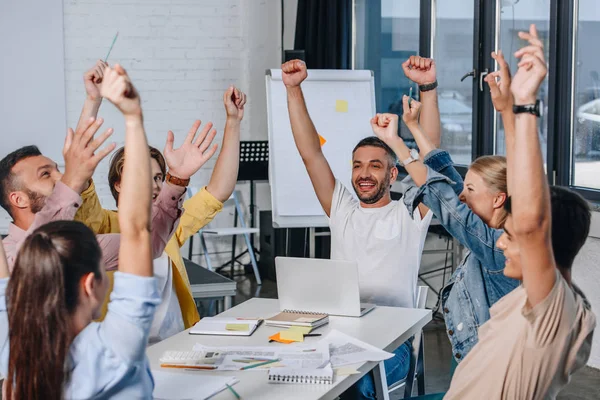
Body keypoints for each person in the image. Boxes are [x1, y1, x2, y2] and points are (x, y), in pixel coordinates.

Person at [386, 25, 596, 400]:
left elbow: (521, 220)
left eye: (513, 236)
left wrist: (522, 109)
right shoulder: (543, 300)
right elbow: (448, 178)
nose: (505, 242)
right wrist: (503, 110)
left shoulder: (551, 308)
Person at [281, 56, 443, 400]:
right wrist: (293, 90)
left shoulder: (409, 213)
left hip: (390, 343)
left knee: (355, 383)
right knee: (290, 373)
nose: (364, 174)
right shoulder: (342, 209)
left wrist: (427, 89)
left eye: (374, 166)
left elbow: (431, 160)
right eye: (357, 166)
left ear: (393, 173)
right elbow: (310, 153)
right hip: (337, 335)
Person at [0, 63, 161, 398]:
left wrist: (93, 102)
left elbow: (144, 235)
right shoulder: (113, 349)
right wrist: (133, 117)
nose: (61, 178)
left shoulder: (13, 351)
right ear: (91, 284)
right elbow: (137, 231)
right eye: (47, 175)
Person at [373, 50, 521, 363]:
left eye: (470, 189)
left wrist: (398, 144)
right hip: (478, 358)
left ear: (498, 198)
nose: (462, 195)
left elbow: (442, 195)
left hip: (491, 365)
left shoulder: (498, 246)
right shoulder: (492, 231)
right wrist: (412, 126)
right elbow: (443, 174)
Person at [75, 86, 246, 339]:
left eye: (158, 177)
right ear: (118, 184)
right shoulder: (101, 224)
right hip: (124, 353)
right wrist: (93, 100)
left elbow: (218, 191)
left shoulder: (167, 225)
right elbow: (80, 169)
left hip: (175, 345)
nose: (154, 185)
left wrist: (233, 122)